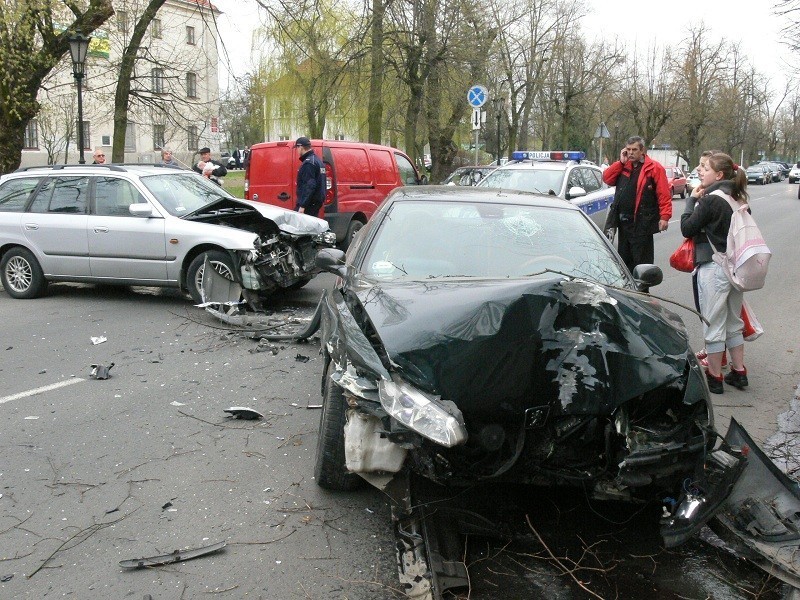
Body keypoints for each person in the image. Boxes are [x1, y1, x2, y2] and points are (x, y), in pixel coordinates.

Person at [680, 152, 748, 395]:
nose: (701, 172)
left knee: (714, 323)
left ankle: (715, 378)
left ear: (718, 175)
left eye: (705, 168)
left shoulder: (710, 200)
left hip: (714, 267)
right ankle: (739, 372)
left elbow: (687, 228)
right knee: (733, 321)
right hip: (736, 269)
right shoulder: (737, 198)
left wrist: (691, 201)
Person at [603, 136, 672, 272]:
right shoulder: (624, 166)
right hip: (624, 223)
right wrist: (620, 162)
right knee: (624, 262)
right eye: (628, 149)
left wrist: (665, 216)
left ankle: (642, 291)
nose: (631, 153)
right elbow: (607, 178)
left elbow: (663, 194)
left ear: (642, 150)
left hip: (642, 223)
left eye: (634, 149)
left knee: (641, 263)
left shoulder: (654, 168)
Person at [294, 136, 326, 216]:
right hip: (315, 203)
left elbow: (309, 185)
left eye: (297, 148)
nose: (297, 150)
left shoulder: (308, 163)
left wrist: (302, 205)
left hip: (309, 204)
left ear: (301, 147)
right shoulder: (317, 161)